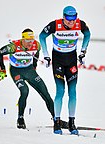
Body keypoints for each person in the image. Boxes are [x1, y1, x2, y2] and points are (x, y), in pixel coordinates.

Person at [39, 6, 91, 135]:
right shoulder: (55, 25)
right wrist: (45, 55)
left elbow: (88, 34)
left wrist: (83, 51)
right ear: (63, 17)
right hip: (58, 60)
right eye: (68, 19)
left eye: (73, 19)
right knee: (60, 91)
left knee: (72, 92)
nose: (71, 22)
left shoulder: (80, 24)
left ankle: (71, 123)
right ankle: (56, 122)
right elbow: (41, 36)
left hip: (71, 60)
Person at [0, 28, 55, 129]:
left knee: (45, 92)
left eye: (31, 41)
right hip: (16, 71)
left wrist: (34, 66)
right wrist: (2, 69)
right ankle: (20, 118)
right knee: (24, 91)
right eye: (28, 41)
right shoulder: (13, 47)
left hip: (29, 70)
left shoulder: (36, 45)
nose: (30, 43)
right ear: (22, 39)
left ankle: (56, 119)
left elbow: (37, 53)